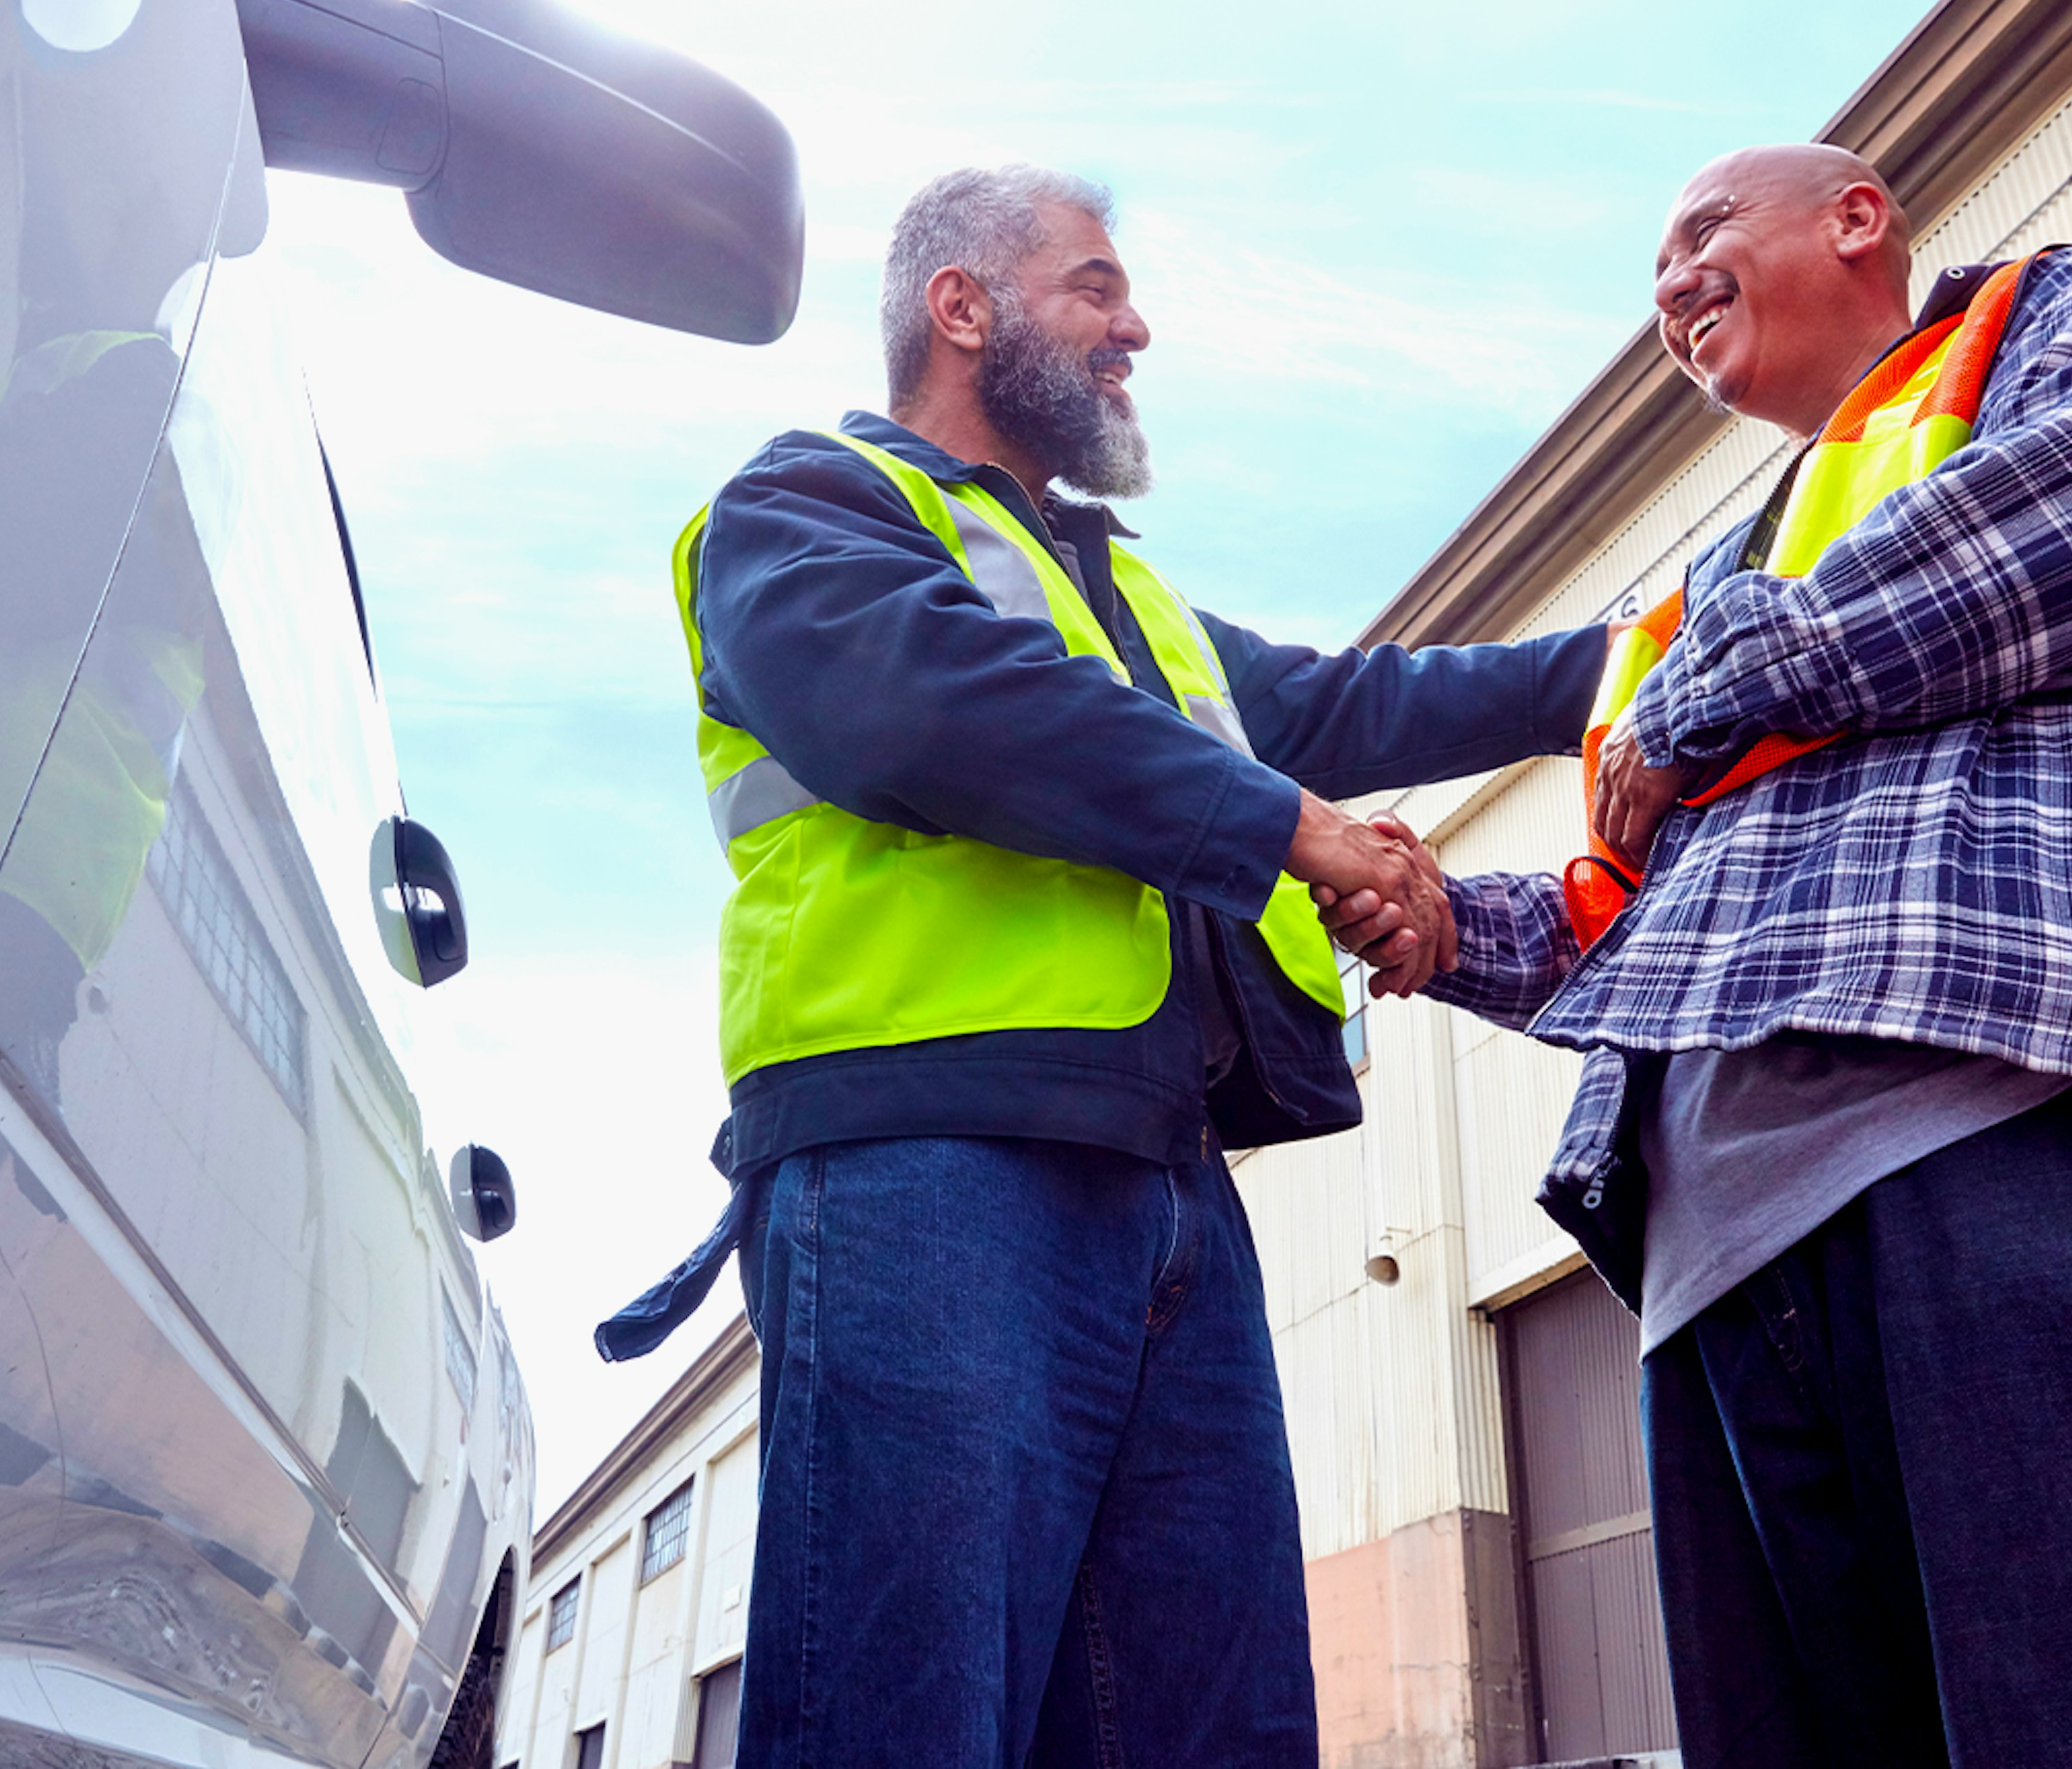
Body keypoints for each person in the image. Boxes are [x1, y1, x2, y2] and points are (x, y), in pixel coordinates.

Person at [1329, 143, 2072, 1766]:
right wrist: (1442, 925)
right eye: (1652, 271)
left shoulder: (2057, 319)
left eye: (1702, 230)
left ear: (1858, 220)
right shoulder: (1706, 589)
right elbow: (1647, 914)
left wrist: (1717, 682)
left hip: (2036, 1116)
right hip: (1720, 1264)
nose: (1669, 286)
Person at [600, 165, 1608, 1768]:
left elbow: (1355, 701)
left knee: (1211, 1725)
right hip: (927, 1168)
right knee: (908, 1715)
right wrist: (1295, 830)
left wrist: (1634, 661)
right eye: (1095, 286)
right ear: (963, 307)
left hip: (1169, 1198)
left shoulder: (1128, 594)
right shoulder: (803, 506)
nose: (1134, 326)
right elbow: (935, 708)